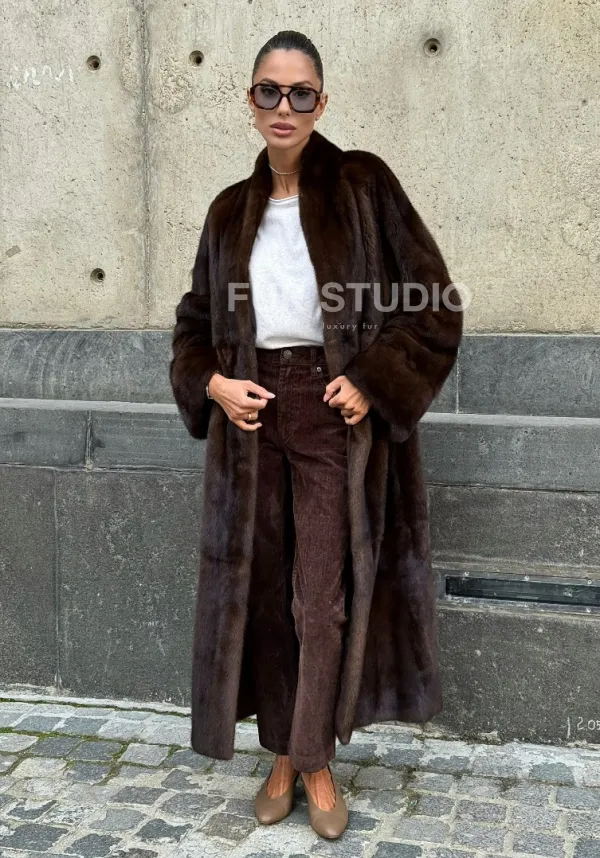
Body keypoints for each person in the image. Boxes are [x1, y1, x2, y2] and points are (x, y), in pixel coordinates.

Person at [170, 30, 463, 841]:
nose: (285, 107)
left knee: (321, 598)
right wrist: (212, 383)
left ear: (321, 102)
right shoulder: (229, 211)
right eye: (270, 90)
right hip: (250, 413)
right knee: (266, 597)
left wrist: (371, 378)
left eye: (301, 93)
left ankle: (313, 758)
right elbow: (193, 325)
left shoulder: (363, 185)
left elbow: (435, 302)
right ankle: (283, 753)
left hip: (332, 412)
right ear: (250, 100)